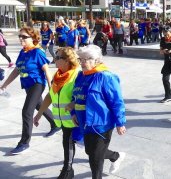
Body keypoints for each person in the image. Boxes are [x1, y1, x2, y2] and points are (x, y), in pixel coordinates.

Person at [0, 27, 60, 155]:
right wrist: (4, 85)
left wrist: (51, 88)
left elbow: (46, 70)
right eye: (20, 36)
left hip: (37, 84)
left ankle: (24, 142)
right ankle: (55, 124)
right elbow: (17, 70)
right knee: (39, 105)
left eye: (24, 37)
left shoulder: (37, 52)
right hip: (28, 85)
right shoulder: (23, 52)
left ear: (33, 38)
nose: (21, 38)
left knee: (27, 111)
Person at [71, 45, 126, 178]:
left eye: (88, 59)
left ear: (97, 60)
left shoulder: (106, 77)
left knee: (95, 158)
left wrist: (120, 122)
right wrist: (73, 113)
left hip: (102, 123)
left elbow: (116, 101)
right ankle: (116, 156)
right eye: (81, 59)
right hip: (85, 122)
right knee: (90, 151)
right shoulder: (80, 76)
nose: (83, 62)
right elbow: (75, 96)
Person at [34, 47, 80, 179]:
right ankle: (67, 170)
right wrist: (39, 113)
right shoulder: (58, 75)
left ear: (67, 60)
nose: (54, 59)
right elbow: (50, 95)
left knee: (92, 149)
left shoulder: (77, 75)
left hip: (76, 119)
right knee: (68, 143)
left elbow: (84, 96)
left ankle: (114, 156)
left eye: (57, 57)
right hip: (64, 121)